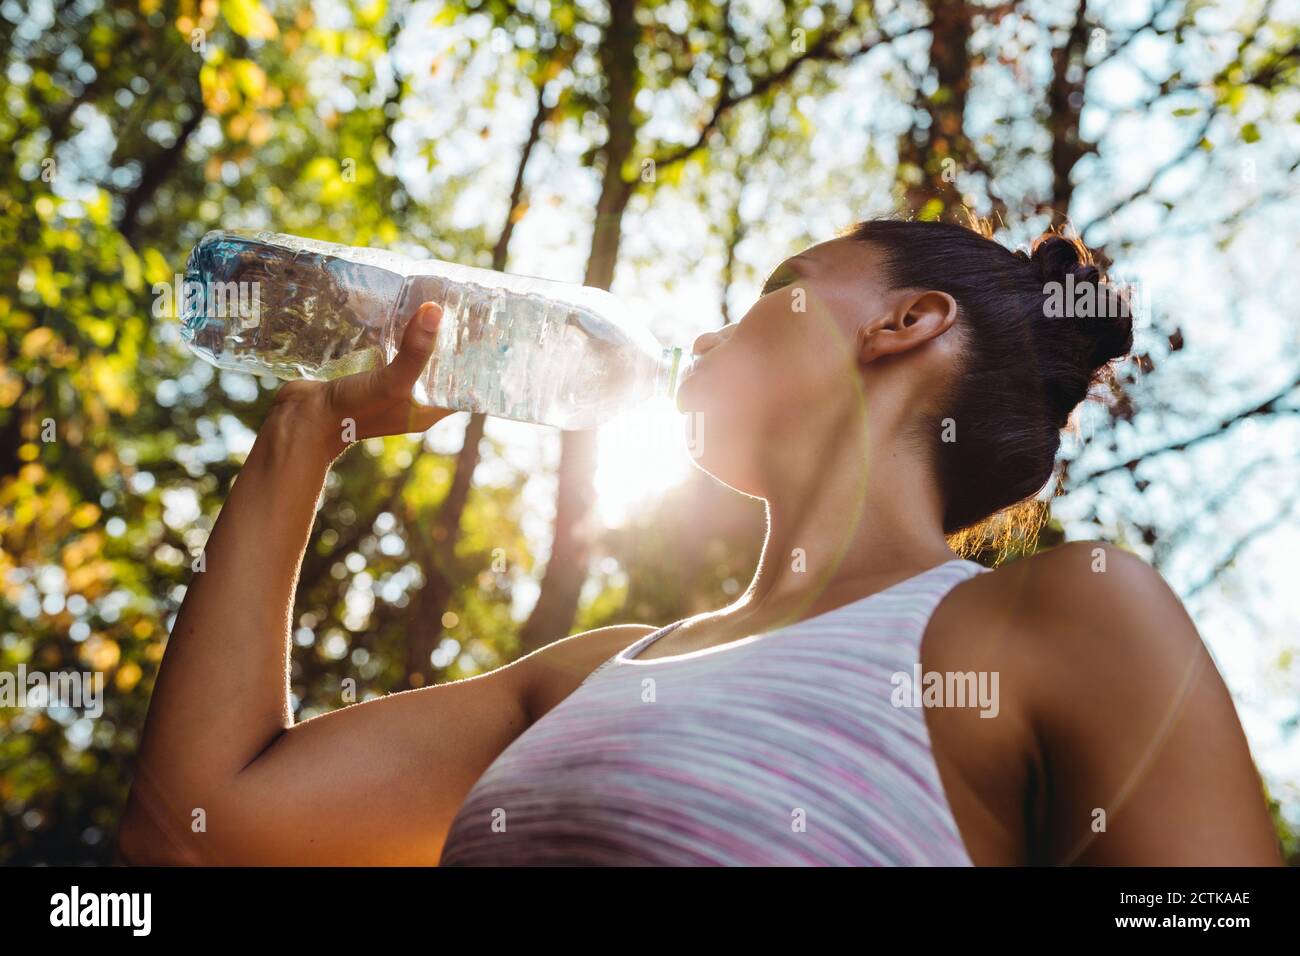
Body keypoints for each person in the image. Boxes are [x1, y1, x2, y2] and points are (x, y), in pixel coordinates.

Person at [119, 219, 1283, 866]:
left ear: (906, 323)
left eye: (779, 288)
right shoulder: (591, 674)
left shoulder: (1065, 617)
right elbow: (199, 826)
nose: (712, 329)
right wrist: (309, 429)